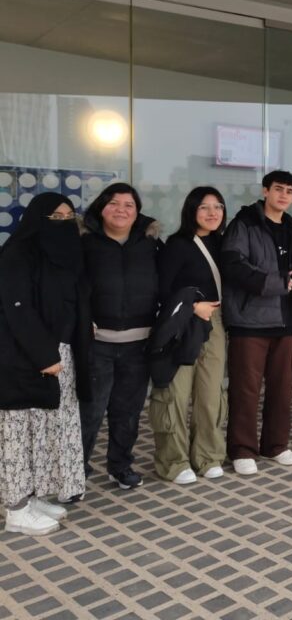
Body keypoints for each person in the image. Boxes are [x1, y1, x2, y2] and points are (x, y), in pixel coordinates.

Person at [1, 193, 91, 535]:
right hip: (27, 358)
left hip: (60, 355)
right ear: (37, 219)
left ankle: (32, 496)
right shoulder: (18, 253)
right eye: (55, 217)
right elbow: (17, 308)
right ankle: (16, 510)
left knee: (45, 431)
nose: (63, 222)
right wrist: (44, 355)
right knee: (19, 434)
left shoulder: (67, 255)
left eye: (69, 216)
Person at [222, 171, 292, 476]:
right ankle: (242, 449)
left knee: (282, 389)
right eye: (278, 189)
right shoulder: (244, 224)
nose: (284, 195)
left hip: (286, 319)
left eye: (289, 191)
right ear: (265, 191)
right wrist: (274, 283)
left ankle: (275, 445)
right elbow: (232, 266)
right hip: (250, 321)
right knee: (246, 389)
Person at [80, 183, 162, 490]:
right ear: (101, 207)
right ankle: (76, 472)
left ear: (137, 211)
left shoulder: (150, 243)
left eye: (129, 205)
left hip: (138, 344)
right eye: (114, 203)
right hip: (96, 344)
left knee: (127, 412)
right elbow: (71, 288)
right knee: (89, 412)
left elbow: (169, 280)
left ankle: (120, 466)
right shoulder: (84, 243)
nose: (121, 210)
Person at [151, 187, 228, 484]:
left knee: (210, 393)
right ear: (191, 210)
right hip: (184, 324)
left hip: (216, 322)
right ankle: (173, 461)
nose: (212, 213)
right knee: (176, 393)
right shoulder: (178, 244)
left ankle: (208, 456)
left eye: (218, 206)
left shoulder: (224, 243)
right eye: (204, 207)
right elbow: (162, 289)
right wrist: (193, 307)